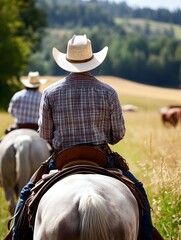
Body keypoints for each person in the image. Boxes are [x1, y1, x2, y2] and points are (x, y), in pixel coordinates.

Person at [11, 34, 163, 240]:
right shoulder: (108, 92)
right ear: (93, 61)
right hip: (101, 157)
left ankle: (15, 236)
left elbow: (45, 134)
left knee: (26, 194)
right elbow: (117, 135)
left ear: (67, 61)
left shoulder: (50, 93)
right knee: (139, 191)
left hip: (62, 159)